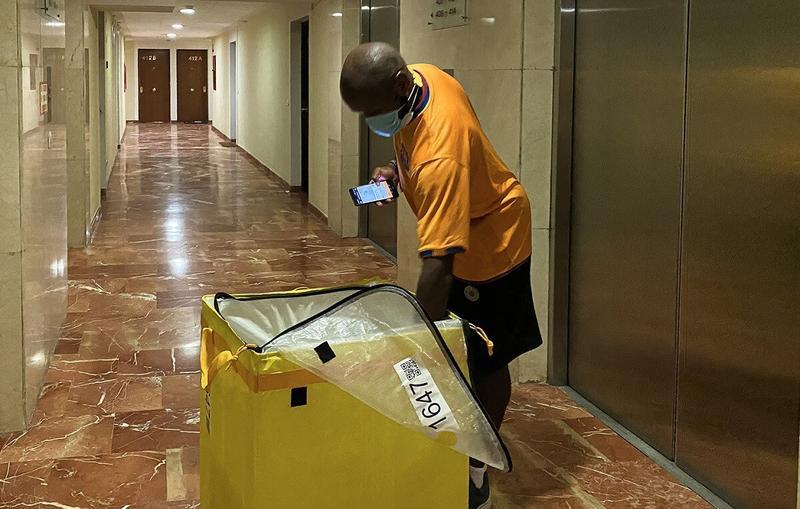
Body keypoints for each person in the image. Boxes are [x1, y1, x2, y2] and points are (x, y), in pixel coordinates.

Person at [340, 42, 542, 509]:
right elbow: (421, 144)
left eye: (372, 111)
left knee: (488, 356)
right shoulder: (423, 75)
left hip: (495, 244)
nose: (370, 121)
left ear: (397, 87)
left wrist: (414, 339)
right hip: (461, 218)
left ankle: (476, 467)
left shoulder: (440, 159)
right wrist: (399, 172)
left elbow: (439, 263)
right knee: (459, 351)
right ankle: (453, 431)